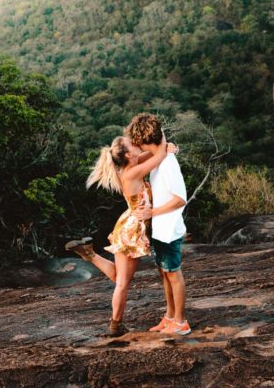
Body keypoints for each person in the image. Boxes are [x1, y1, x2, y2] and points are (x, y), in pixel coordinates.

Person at [65, 133, 176, 337]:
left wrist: (166, 146)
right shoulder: (132, 172)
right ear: (127, 154)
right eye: (131, 144)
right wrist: (160, 136)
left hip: (130, 224)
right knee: (122, 282)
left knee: (120, 277)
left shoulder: (133, 165)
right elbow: (158, 154)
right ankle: (116, 324)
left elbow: (154, 152)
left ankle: (89, 254)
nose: (136, 144)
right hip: (131, 230)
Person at [126, 113, 191, 336]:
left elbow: (180, 198)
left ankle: (181, 322)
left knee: (173, 273)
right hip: (160, 228)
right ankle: (170, 316)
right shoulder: (159, 159)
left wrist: (152, 212)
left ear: (142, 140)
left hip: (169, 228)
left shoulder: (167, 163)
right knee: (164, 273)